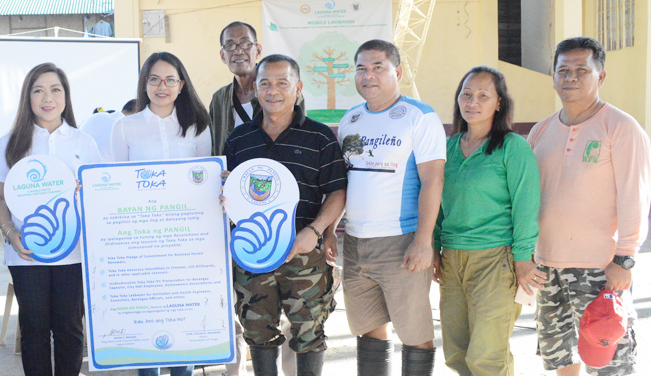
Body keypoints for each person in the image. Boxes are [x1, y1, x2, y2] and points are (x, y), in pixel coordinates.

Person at [528, 37, 649, 376]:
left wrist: (624, 258)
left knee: (610, 364)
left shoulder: (621, 128)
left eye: (582, 70)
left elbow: (634, 196)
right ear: (552, 76)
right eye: (562, 70)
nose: (570, 77)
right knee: (561, 358)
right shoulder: (541, 131)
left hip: (601, 270)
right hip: (547, 268)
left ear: (601, 76)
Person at [222, 54, 346, 376]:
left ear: (298, 87)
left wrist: (317, 231)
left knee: (309, 334)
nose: (272, 90)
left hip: (304, 251)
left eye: (282, 83)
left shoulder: (319, 137)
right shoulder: (239, 139)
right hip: (253, 254)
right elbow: (228, 193)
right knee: (257, 333)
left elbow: (337, 191)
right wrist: (225, 196)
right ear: (255, 89)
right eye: (264, 83)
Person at [337, 39, 445, 376]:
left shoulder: (419, 116)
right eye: (361, 68)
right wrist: (331, 232)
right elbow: (343, 182)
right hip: (355, 244)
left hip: (402, 241)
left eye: (378, 67)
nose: (368, 75)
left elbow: (433, 180)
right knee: (369, 330)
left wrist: (424, 241)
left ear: (397, 71)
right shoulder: (350, 119)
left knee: (414, 334)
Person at [0, 62, 102, 376]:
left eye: (55, 90)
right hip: (26, 252)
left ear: (65, 96)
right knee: (34, 328)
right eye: (38, 90)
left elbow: (99, 195)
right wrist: (11, 234)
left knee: (68, 327)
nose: (47, 97)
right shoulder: (10, 142)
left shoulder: (84, 142)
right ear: (28, 97)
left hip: (73, 253)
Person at [432, 67, 544, 376]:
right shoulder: (448, 147)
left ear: (499, 103)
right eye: (466, 94)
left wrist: (523, 259)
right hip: (452, 261)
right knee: (457, 353)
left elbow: (526, 206)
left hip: (496, 261)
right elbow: (436, 204)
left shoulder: (513, 148)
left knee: (486, 357)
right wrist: (434, 247)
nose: (472, 102)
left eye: (483, 95)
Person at [111, 52, 211, 376]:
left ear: (181, 85)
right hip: (142, 240)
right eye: (154, 79)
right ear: (145, 84)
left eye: (170, 79)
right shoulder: (124, 127)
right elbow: (117, 186)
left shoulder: (198, 126)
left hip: (186, 240)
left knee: (182, 317)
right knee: (148, 318)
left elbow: (205, 181)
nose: (162, 86)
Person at [209, 21, 304, 156]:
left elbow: (301, 138)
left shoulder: (285, 93)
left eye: (245, 44)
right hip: (230, 174)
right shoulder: (219, 98)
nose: (238, 51)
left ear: (258, 50)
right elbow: (215, 145)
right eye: (229, 45)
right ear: (223, 55)